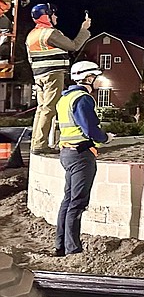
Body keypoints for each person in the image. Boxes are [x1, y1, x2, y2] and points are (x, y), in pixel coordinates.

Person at [54, 60, 113, 256]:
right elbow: (89, 129)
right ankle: (73, 249)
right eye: (96, 77)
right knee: (77, 203)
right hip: (81, 155)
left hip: (67, 153)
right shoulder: (82, 99)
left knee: (68, 200)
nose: (97, 81)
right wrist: (105, 138)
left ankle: (60, 245)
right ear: (88, 77)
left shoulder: (65, 98)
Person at [26, 4, 92, 157]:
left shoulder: (32, 35)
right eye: (53, 14)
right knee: (49, 109)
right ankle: (41, 145)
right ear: (46, 16)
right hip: (53, 74)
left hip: (39, 76)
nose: (56, 17)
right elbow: (73, 46)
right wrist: (84, 29)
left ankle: (36, 143)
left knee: (41, 109)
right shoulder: (50, 33)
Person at [0, 0, 30, 77]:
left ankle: (2, 57)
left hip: (3, 13)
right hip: (1, 13)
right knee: (4, 36)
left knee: (6, 34)